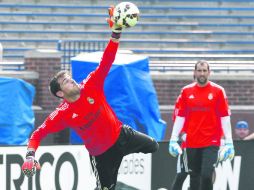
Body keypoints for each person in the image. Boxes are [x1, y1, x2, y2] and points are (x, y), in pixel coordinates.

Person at [21, 6, 159, 190]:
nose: (72, 81)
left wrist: (116, 32)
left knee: (154, 146)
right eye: (66, 82)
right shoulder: (62, 114)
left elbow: (107, 60)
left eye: (70, 78)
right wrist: (30, 155)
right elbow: (38, 134)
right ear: (60, 94)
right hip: (101, 154)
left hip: (122, 136)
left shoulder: (91, 84)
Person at [168, 60, 235, 190]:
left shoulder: (218, 91)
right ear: (194, 72)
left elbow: (225, 117)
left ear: (209, 73)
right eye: (199, 70)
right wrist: (173, 138)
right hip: (192, 141)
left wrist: (229, 141)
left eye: (204, 71)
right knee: (194, 177)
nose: (202, 73)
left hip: (212, 141)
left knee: (206, 175)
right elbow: (180, 116)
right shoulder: (186, 91)